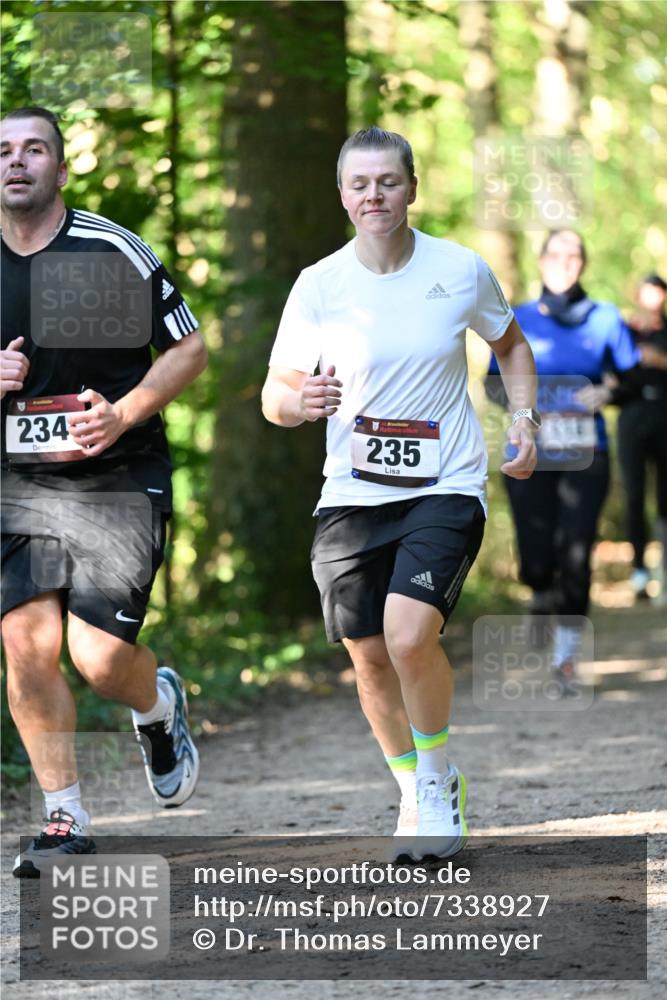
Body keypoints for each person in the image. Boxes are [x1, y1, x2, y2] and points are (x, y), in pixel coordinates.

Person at [261, 126, 538, 860]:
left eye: (387, 181)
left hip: (444, 484)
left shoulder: (460, 268)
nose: (373, 195)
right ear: (343, 195)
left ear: (411, 188)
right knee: (367, 656)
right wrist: (301, 405)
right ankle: (411, 786)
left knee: (409, 634)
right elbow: (274, 396)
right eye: (359, 184)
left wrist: (524, 418)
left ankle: (441, 781)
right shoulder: (319, 284)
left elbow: (509, 346)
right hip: (350, 496)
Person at [1, 107, 207, 877]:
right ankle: (66, 817)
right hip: (15, 482)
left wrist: (123, 414)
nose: (16, 162)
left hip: (117, 475)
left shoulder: (108, 249)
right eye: (3, 151)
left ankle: (155, 707)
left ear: (60, 167)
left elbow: (191, 349)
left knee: (96, 658)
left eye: (34, 149)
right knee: (25, 648)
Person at [487, 229, 641, 687]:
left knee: (576, 552)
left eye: (574, 255)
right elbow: (491, 383)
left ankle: (566, 656)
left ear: (583, 263)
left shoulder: (606, 318)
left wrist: (607, 390)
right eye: (556, 254)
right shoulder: (517, 318)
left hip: (584, 452)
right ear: (541, 261)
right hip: (528, 451)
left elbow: (633, 380)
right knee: (537, 553)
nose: (565, 262)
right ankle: (539, 590)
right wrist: (528, 410)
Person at [617, 275, 667, 601]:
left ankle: (664, 570)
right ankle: (639, 572)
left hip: (664, 415)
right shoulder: (624, 331)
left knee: (665, 498)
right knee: (634, 496)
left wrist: (659, 360)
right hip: (632, 417)